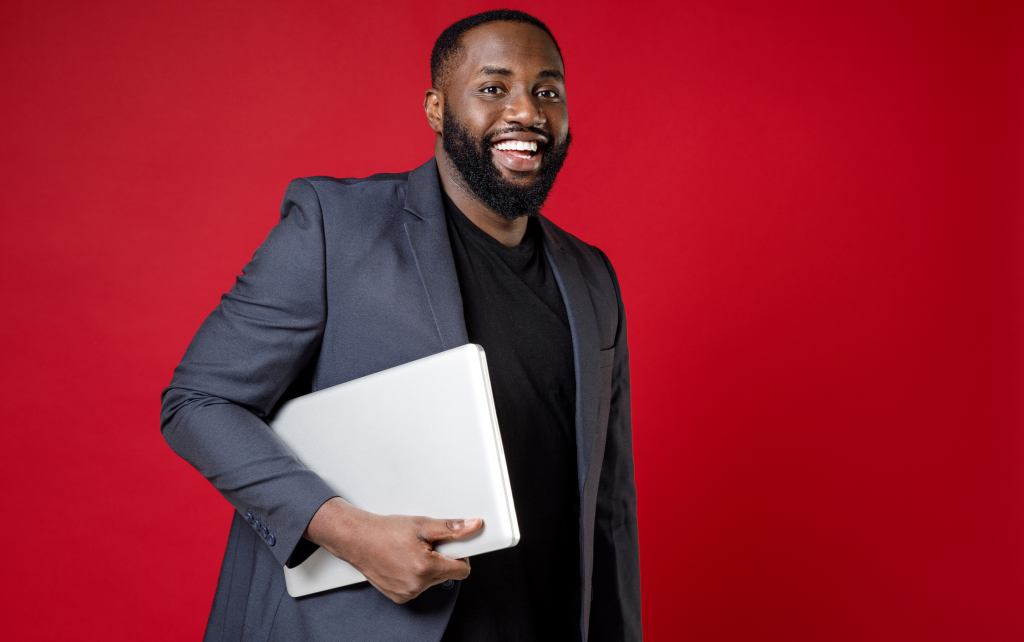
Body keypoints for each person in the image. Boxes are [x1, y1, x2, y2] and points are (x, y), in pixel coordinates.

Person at [161, 9, 640, 641]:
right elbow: (197, 402)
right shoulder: (336, 227)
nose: (526, 111)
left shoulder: (592, 278)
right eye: (494, 88)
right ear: (437, 108)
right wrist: (348, 533)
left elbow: (607, 507)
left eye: (546, 90)